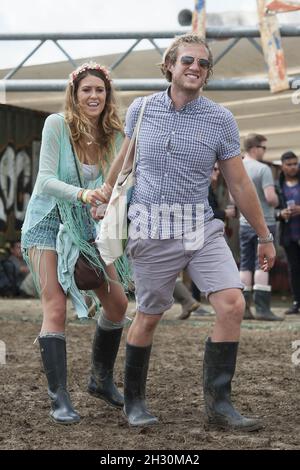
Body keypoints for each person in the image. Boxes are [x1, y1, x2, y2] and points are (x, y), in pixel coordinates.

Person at [99, 34, 276, 431]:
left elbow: (240, 184)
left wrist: (264, 235)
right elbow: (124, 160)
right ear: (170, 66)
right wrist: (105, 197)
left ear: (208, 73)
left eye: (204, 64)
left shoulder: (220, 119)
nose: (196, 67)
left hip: (200, 227)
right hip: (151, 228)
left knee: (232, 303)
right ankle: (135, 401)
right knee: (149, 316)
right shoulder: (142, 109)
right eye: (188, 61)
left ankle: (220, 405)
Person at [21, 62, 128, 424]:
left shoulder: (114, 134)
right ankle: (60, 400)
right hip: (47, 223)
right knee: (55, 306)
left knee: (117, 303)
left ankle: (100, 380)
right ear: (75, 94)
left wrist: (106, 206)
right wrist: (85, 194)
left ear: (107, 95)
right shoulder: (57, 125)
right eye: (87, 90)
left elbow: (117, 186)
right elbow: (46, 180)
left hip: (85, 227)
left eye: (100, 90)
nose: (94, 96)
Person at [238, 134, 281, 321]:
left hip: (243, 222)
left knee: (245, 264)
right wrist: (278, 201)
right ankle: (263, 309)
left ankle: (245, 309)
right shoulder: (263, 169)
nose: (265, 151)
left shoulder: (237, 167)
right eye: (263, 147)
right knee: (263, 263)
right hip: (264, 222)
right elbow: (270, 198)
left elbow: (233, 198)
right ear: (255, 148)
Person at [275, 151, 300, 314]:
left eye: (295, 163)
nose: (293, 167)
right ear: (282, 166)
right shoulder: (277, 186)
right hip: (288, 234)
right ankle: (297, 302)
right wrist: (280, 214)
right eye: (289, 164)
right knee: (294, 269)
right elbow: (271, 210)